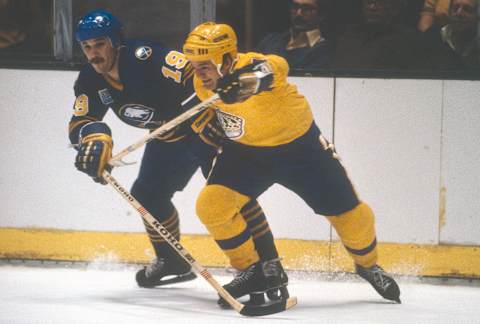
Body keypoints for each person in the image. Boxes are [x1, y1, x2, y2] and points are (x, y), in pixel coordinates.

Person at [183, 22, 401, 308]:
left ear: (226, 57)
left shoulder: (253, 66)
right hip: (247, 154)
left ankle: (368, 265)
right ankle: (253, 270)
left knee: (352, 217)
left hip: (302, 152)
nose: (199, 73)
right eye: (195, 65)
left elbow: (277, 65)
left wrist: (249, 81)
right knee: (212, 206)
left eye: (205, 64)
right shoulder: (203, 85)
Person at [69, 10, 282, 290]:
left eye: (99, 44)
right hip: (168, 139)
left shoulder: (147, 57)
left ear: (115, 42)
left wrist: (204, 111)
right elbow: (82, 120)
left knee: (232, 194)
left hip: (206, 131)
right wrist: (93, 140)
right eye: (87, 47)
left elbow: (196, 73)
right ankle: (172, 261)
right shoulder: (89, 79)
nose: (93, 54)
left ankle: (269, 264)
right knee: (148, 193)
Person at [332, 0, 423, 70]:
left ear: (394, 8)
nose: (372, 7)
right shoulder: (349, 36)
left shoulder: (406, 40)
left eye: (379, 2)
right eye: (369, 2)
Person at [256, 0, 332, 69]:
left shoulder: (325, 51)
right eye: (295, 7)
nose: (298, 13)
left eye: (307, 8)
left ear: (321, 15)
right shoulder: (270, 41)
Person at [420, 0, 479, 69]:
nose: (459, 13)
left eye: (467, 9)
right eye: (455, 8)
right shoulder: (433, 38)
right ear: (449, 12)